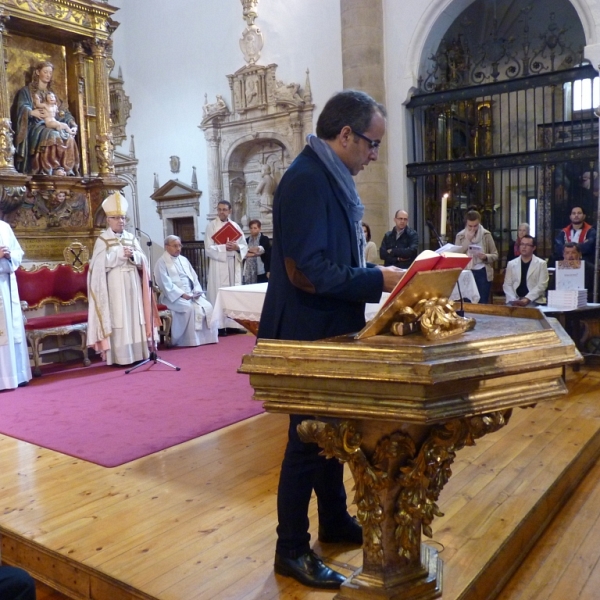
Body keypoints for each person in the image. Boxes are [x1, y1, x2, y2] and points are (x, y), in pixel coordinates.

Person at [258, 90, 403, 590]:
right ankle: (291, 549)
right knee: (306, 442)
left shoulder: (328, 177)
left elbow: (327, 259)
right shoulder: (305, 180)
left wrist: (369, 274)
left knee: (328, 439)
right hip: (307, 331)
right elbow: (306, 271)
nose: (374, 155)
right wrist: (376, 279)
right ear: (345, 135)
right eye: (371, 144)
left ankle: (335, 522)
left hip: (328, 329)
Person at [87, 192, 156, 366]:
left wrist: (134, 256)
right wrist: (119, 253)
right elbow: (97, 266)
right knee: (119, 317)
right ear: (108, 220)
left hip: (132, 282)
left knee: (135, 315)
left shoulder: (131, 238)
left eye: (123, 218)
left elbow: (143, 261)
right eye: (116, 218)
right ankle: (121, 356)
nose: (121, 221)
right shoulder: (103, 240)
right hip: (115, 284)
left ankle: (139, 353)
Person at [12, 60, 80, 176]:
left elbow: (63, 113)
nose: (48, 75)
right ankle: (49, 168)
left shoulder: (53, 95)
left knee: (69, 137)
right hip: (36, 126)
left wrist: (73, 124)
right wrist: (31, 112)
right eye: (45, 72)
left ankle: (66, 168)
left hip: (53, 124)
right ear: (38, 72)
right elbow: (21, 108)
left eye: (50, 73)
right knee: (53, 135)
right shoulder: (26, 92)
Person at [154, 235, 218, 347]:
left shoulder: (184, 260)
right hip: (171, 298)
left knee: (208, 306)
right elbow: (164, 283)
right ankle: (182, 340)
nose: (178, 248)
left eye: (179, 245)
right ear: (166, 247)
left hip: (191, 295)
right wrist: (182, 294)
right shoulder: (161, 262)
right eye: (175, 246)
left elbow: (194, 278)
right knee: (188, 308)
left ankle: (205, 338)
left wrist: (196, 292)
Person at [205, 200, 248, 330]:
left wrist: (237, 247)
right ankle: (220, 326)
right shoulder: (211, 226)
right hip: (219, 263)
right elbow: (208, 248)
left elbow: (244, 245)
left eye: (224, 209)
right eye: (219, 209)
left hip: (233, 262)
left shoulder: (235, 226)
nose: (221, 212)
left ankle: (234, 324)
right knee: (220, 292)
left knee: (234, 292)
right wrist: (224, 247)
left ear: (230, 211)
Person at [0, 220, 32, 390]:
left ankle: (17, 375)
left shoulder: (4, 227)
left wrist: (9, 255)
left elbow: (18, 252)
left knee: (12, 331)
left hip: (7, 284)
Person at [455, 209, 498, 304]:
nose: (473, 229)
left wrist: (485, 257)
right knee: (467, 302)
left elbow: (495, 254)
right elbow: (457, 254)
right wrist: (468, 240)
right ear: (466, 223)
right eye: (470, 226)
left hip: (482, 271)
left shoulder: (486, 234)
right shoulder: (460, 236)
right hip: (467, 271)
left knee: (482, 302)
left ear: (479, 223)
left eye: (475, 226)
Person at [503, 235, 548, 306]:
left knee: (528, 311)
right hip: (515, 299)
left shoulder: (541, 264)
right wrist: (513, 299)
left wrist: (527, 299)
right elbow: (507, 284)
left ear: (534, 248)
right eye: (522, 244)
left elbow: (542, 285)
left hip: (534, 300)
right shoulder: (511, 264)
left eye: (527, 245)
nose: (524, 247)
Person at [244, 219, 270, 284]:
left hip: (261, 269)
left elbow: (261, 250)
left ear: (259, 228)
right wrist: (254, 253)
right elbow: (243, 253)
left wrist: (250, 251)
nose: (253, 230)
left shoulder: (264, 239)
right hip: (249, 270)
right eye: (251, 228)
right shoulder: (246, 240)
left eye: (255, 228)